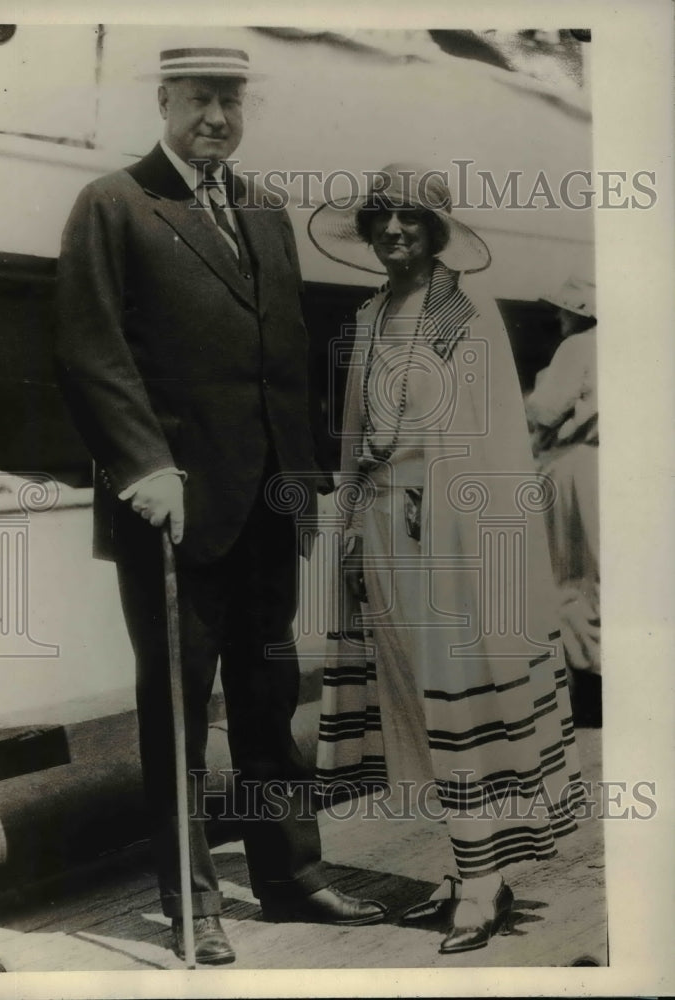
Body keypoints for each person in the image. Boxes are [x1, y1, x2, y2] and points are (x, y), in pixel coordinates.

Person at [54, 41, 385, 965]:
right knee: (176, 709)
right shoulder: (115, 205)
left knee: (272, 698)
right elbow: (90, 351)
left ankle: (289, 875)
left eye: (230, 103)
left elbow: (283, 365)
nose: (216, 119)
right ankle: (192, 902)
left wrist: (306, 479)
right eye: (199, 100)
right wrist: (143, 466)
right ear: (163, 101)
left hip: (268, 509)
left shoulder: (267, 213)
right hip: (174, 509)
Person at [310, 164, 584, 954]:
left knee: (462, 692)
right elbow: (356, 439)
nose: (395, 231)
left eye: (412, 219)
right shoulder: (369, 314)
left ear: (436, 231)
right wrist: (354, 528)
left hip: (457, 530)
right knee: (411, 697)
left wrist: (452, 511)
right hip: (389, 525)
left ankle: (484, 883)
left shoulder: (463, 312)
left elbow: (491, 434)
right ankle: (468, 870)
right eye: (383, 218)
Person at [525, 277, 600, 721]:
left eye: (563, 310)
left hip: (574, 466)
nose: (558, 317)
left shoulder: (576, 348)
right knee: (599, 575)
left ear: (579, 310)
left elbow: (546, 408)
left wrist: (529, 397)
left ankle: (587, 693)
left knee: (572, 578)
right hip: (608, 463)